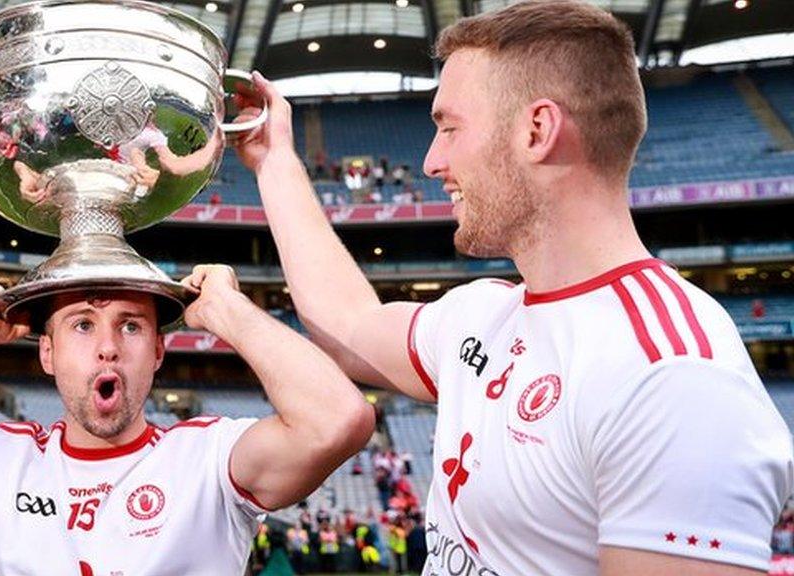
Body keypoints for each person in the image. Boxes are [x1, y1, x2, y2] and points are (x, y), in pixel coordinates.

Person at [232, 1, 794, 574]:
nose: (430, 161)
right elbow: (347, 322)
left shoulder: (672, 376)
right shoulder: (483, 314)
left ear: (537, 130)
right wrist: (274, 160)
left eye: (449, 127)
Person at [0, 264, 374, 575]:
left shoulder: (211, 459)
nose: (108, 347)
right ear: (47, 353)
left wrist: (229, 312)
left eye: (132, 325)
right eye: (82, 325)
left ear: (159, 352)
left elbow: (340, 420)